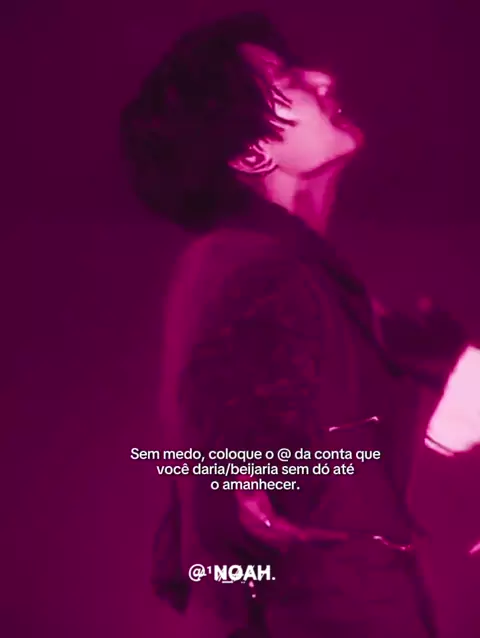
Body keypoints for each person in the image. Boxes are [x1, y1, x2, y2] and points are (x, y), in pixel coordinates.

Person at [120, 12, 467, 637]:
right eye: (284, 79)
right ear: (252, 152)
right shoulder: (243, 263)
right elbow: (231, 488)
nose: (324, 78)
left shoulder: (285, 274)